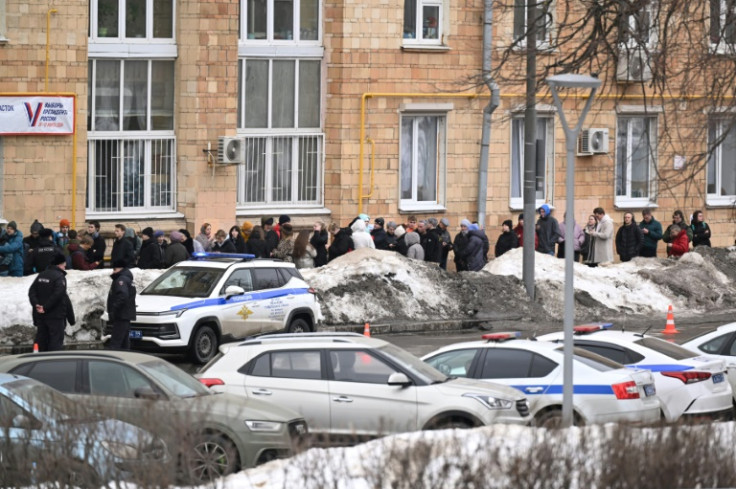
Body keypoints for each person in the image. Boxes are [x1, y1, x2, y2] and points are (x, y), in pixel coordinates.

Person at [28, 252, 74, 352]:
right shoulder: (59, 277)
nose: (65, 268)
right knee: (55, 341)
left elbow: (32, 292)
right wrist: (45, 307)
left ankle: (38, 359)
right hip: (55, 317)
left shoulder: (41, 275)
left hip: (41, 316)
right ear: (60, 264)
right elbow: (59, 295)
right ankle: (53, 363)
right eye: (64, 266)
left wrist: (37, 305)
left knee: (41, 339)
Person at [106, 259, 136, 350]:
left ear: (119, 269)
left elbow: (123, 295)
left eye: (114, 269)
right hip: (124, 315)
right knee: (124, 342)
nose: (113, 272)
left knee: (115, 342)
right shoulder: (127, 278)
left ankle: (114, 362)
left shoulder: (121, 279)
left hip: (121, 315)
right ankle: (125, 360)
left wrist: (114, 309)